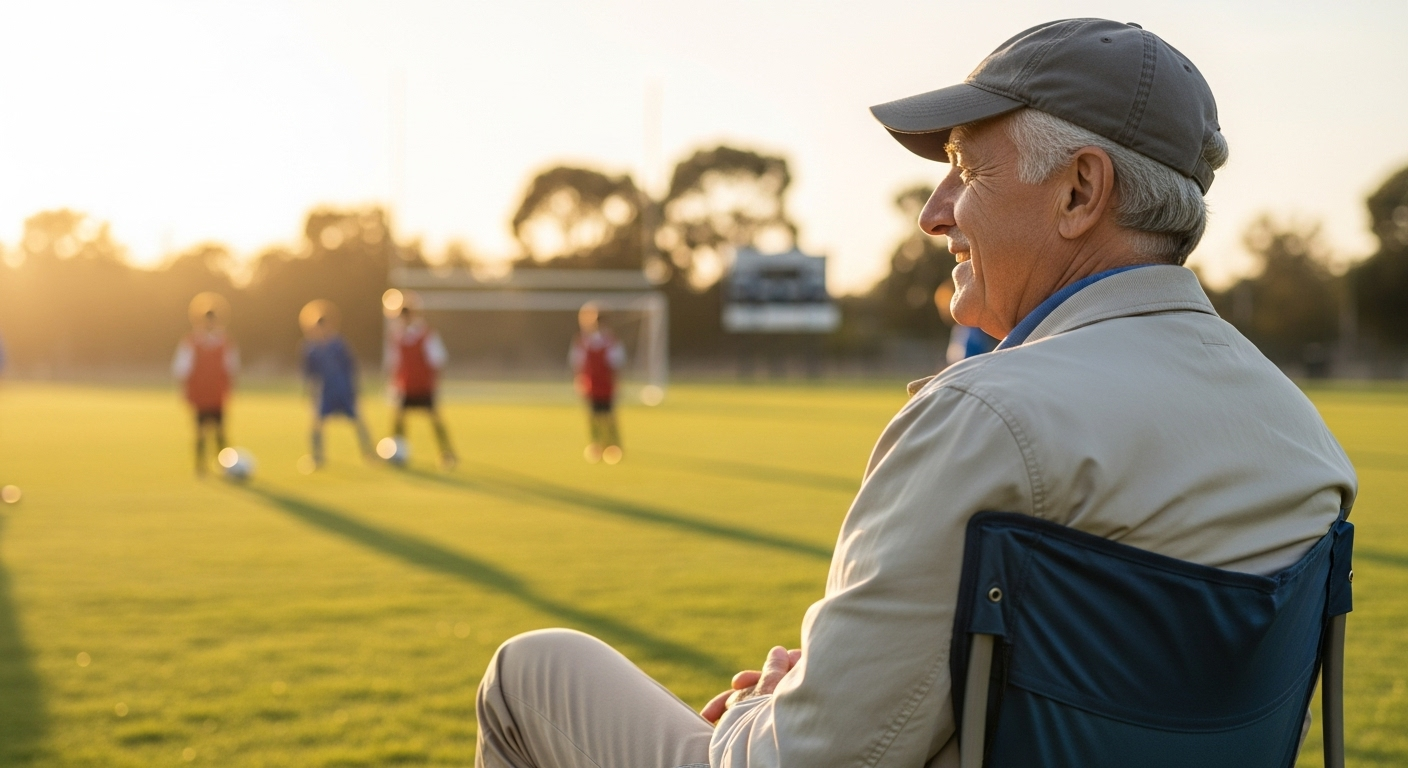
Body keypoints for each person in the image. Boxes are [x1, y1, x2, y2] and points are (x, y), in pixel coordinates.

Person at [473, 19, 1357, 768]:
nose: (935, 212)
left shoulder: (987, 416)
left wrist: (767, 710)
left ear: (1081, 190)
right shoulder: (1304, 444)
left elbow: (814, 761)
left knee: (533, 671)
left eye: (968, 171)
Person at [383, 294, 457, 468]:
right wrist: (393, 385)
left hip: (423, 386)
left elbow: (438, 360)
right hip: (405, 387)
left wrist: (435, 384)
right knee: (398, 420)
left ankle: (447, 453)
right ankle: (398, 453)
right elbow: (394, 363)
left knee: (435, 420)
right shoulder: (396, 337)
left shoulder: (426, 334)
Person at [299, 299, 373, 469]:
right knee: (316, 423)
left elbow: (351, 368)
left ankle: (369, 453)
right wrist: (309, 392)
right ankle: (317, 457)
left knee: (358, 420)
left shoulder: (339, 345)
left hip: (343, 389)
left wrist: (355, 390)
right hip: (325, 392)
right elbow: (310, 374)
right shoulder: (310, 348)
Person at [172, 293, 239, 475]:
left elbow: (231, 368)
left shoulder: (224, 342)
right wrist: (183, 391)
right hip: (199, 394)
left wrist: (230, 390)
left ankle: (224, 465)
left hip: (217, 393)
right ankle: (200, 466)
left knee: (220, 431)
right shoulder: (191, 342)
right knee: (199, 431)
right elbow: (182, 368)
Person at [569, 302, 626, 465]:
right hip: (590, 384)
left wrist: (618, 383)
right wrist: (578, 381)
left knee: (609, 416)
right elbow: (577, 363)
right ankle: (596, 445)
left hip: (606, 385)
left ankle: (613, 446)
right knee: (592, 416)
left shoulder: (610, 341)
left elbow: (616, 364)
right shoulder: (582, 341)